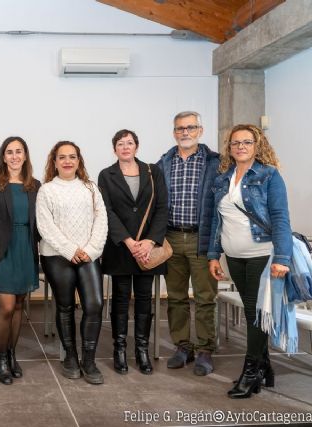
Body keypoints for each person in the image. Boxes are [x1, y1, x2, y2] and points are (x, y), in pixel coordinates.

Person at [207, 124, 292, 398]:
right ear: (229, 148)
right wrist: (213, 255)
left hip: (262, 256)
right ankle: (265, 366)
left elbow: (280, 217)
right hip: (234, 257)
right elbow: (215, 222)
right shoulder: (223, 179)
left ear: (257, 145)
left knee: (256, 315)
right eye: (235, 143)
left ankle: (251, 372)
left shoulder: (269, 175)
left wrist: (282, 257)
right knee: (251, 312)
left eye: (246, 142)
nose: (240, 147)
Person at [36, 141, 108, 384]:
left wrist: (89, 250)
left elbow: (102, 221)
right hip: (56, 256)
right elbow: (45, 226)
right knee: (65, 306)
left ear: (79, 161)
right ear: (54, 162)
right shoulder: (46, 190)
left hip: (88, 255)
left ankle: (89, 359)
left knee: (95, 304)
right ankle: (71, 356)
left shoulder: (90, 188)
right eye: (62, 157)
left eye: (72, 157)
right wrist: (69, 249)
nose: (67, 161)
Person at [98, 129, 168, 375]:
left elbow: (161, 208)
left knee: (144, 299)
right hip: (120, 247)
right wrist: (128, 241)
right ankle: (119, 350)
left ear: (136, 146)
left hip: (148, 249)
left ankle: (141, 350)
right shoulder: (106, 175)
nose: (125, 147)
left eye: (129, 143)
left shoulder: (153, 171)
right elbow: (107, 211)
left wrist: (149, 242)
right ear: (114, 148)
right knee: (120, 298)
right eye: (120, 143)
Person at [157, 111, 220, 376]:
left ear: (200, 131)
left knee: (205, 297)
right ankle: (183, 346)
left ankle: (205, 349)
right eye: (180, 128)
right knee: (176, 297)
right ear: (174, 132)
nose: (185, 132)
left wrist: (216, 246)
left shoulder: (215, 162)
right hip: (171, 238)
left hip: (201, 238)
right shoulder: (164, 163)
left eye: (190, 127)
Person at [0, 136, 41, 385]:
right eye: (9, 152)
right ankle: (1, 358)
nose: (14, 156)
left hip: (26, 248)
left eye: (19, 151)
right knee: (6, 307)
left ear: (25, 156)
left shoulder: (35, 185)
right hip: (2, 250)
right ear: (3, 157)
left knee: (18, 306)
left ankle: (12, 354)